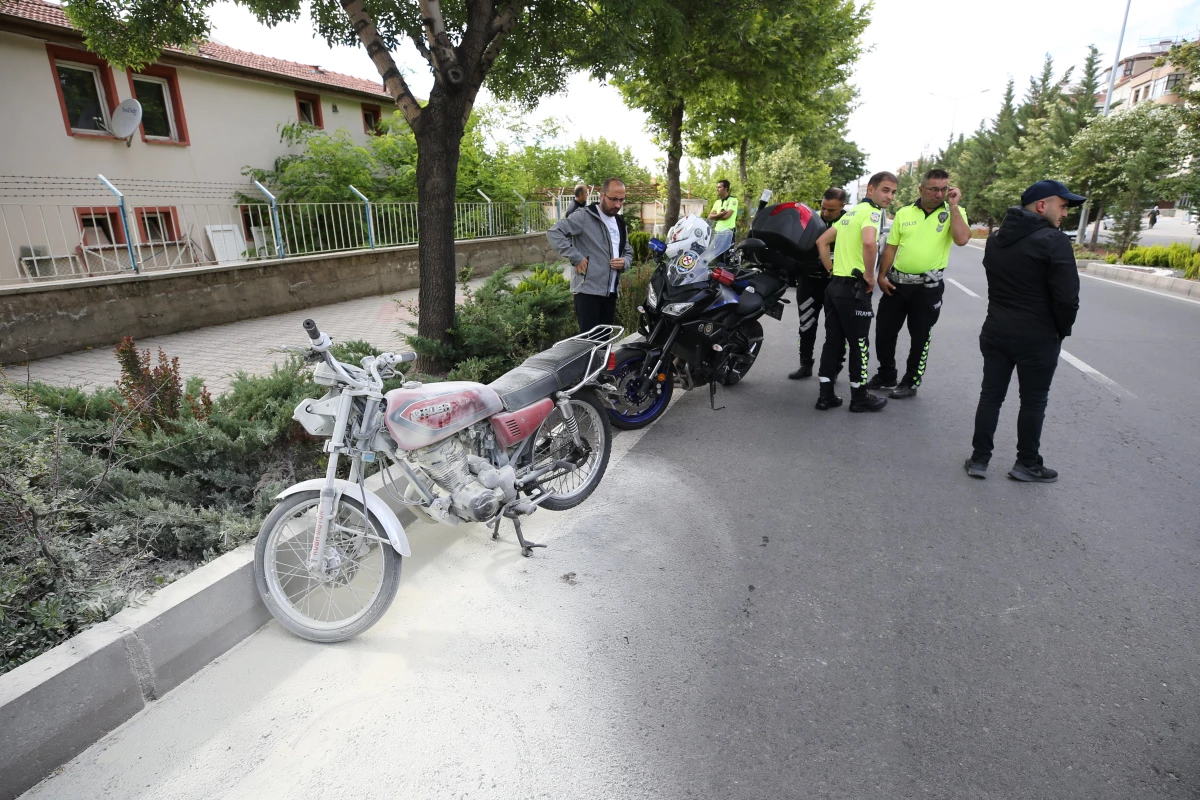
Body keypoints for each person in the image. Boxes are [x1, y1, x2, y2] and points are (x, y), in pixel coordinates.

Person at [965, 179, 1083, 483]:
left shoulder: (996, 239)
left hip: (995, 330)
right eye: (1063, 205)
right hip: (1037, 336)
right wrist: (1061, 330)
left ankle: (979, 459)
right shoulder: (1053, 241)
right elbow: (1067, 298)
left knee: (991, 395)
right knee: (1033, 401)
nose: (1066, 212)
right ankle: (1027, 463)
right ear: (1042, 205)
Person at [865, 168, 970, 398]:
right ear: (921, 189)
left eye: (944, 189)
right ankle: (886, 374)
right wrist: (882, 275)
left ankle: (911, 381)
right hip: (897, 284)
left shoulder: (954, 211)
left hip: (927, 288)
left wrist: (953, 207)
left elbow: (962, 240)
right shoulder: (904, 213)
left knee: (920, 335)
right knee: (884, 330)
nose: (939, 194)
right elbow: (892, 246)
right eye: (934, 189)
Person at [812, 172, 898, 412]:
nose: (889, 196)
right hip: (854, 289)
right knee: (859, 343)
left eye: (893, 192)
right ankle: (859, 397)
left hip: (835, 287)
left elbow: (822, 242)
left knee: (833, 342)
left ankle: (825, 396)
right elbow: (869, 243)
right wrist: (870, 275)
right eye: (885, 190)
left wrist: (831, 270)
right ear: (870, 190)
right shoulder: (871, 213)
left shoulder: (850, 214)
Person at [546, 177, 633, 333]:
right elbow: (554, 232)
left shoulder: (620, 222)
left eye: (621, 200)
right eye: (613, 199)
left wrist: (625, 262)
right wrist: (576, 257)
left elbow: (628, 251)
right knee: (589, 344)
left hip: (611, 292)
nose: (618, 205)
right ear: (601, 196)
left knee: (604, 343)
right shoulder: (584, 216)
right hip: (588, 292)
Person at [788, 188, 848, 379]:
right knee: (806, 325)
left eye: (831, 210)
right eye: (823, 208)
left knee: (837, 330)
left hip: (836, 285)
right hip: (809, 284)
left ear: (842, 207)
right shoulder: (811, 221)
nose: (826, 213)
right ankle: (805, 364)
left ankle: (835, 367)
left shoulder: (850, 222)